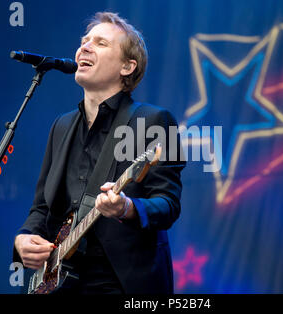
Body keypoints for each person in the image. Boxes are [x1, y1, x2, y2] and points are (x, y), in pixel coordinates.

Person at [13, 11, 185, 294]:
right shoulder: (62, 125)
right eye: (84, 41)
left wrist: (127, 208)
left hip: (119, 281)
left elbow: (168, 204)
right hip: (60, 283)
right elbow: (42, 207)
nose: (85, 47)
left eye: (101, 43)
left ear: (127, 67)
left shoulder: (151, 121)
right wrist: (24, 238)